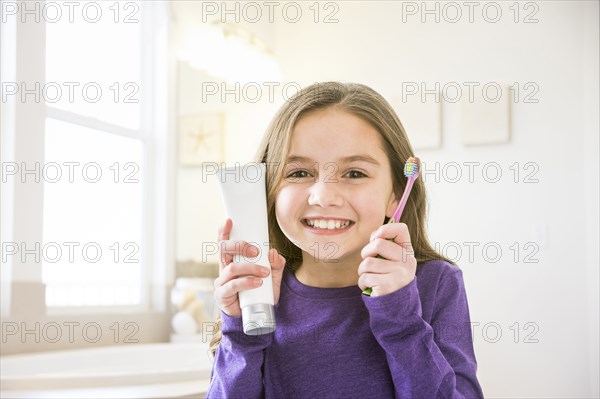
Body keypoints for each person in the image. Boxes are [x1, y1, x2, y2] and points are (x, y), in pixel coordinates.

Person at [206, 82, 484, 398]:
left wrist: (400, 317)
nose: (324, 197)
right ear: (269, 189)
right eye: (298, 173)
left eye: (354, 173)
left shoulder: (436, 284)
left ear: (396, 194)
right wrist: (243, 334)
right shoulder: (257, 295)